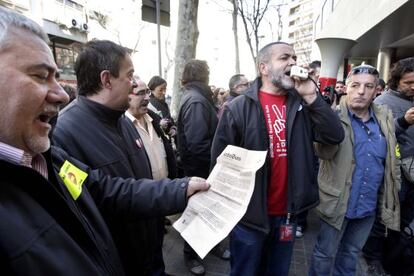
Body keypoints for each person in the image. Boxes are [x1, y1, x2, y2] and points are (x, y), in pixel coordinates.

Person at [0, 7, 209, 275]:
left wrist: (180, 189)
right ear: (105, 79)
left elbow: (108, 191)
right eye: (40, 76)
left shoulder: (51, 157)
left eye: (55, 76)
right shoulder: (64, 133)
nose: (62, 95)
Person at [52, 40, 207, 276]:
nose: (134, 83)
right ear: (106, 79)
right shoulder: (63, 133)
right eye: (130, 75)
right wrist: (179, 190)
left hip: (152, 256)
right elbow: (102, 195)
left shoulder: (123, 121)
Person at [211, 42, 344, 276]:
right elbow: (220, 165)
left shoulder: (302, 103)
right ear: (264, 67)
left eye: (294, 57)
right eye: (284, 58)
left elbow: (334, 135)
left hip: (288, 215)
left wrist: (312, 97)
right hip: (249, 218)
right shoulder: (238, 108)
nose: (293, 62)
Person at [308, 65, 401, 276]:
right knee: (325, 254)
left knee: (351, 252)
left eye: (368, 86)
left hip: (368, 205)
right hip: (338, 202)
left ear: (377, 90)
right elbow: (322, 152)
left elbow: (390, 159)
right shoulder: (333, 118)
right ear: (346, 88)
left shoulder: (384, 118)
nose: (361, 91)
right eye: (355, 85)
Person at [362, 57, 414, 275]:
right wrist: (404, 121)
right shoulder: (384, 101)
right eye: (408, 82)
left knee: (404, 218)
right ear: (395, 81)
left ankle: (394, 257)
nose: (413, 87)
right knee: (384, 217)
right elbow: (378, 135)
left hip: (412, 173)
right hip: (393, 172)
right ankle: (372, 257)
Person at [177, 59, 223, 275]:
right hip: (201, 169)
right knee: (196, 212)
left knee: (208, 212)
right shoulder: (196, 100)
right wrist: (215, 165)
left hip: (202, 167)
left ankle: (210, 246)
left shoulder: (196, 96)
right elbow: (197, 143)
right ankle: (190, 255)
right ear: (203, 75)